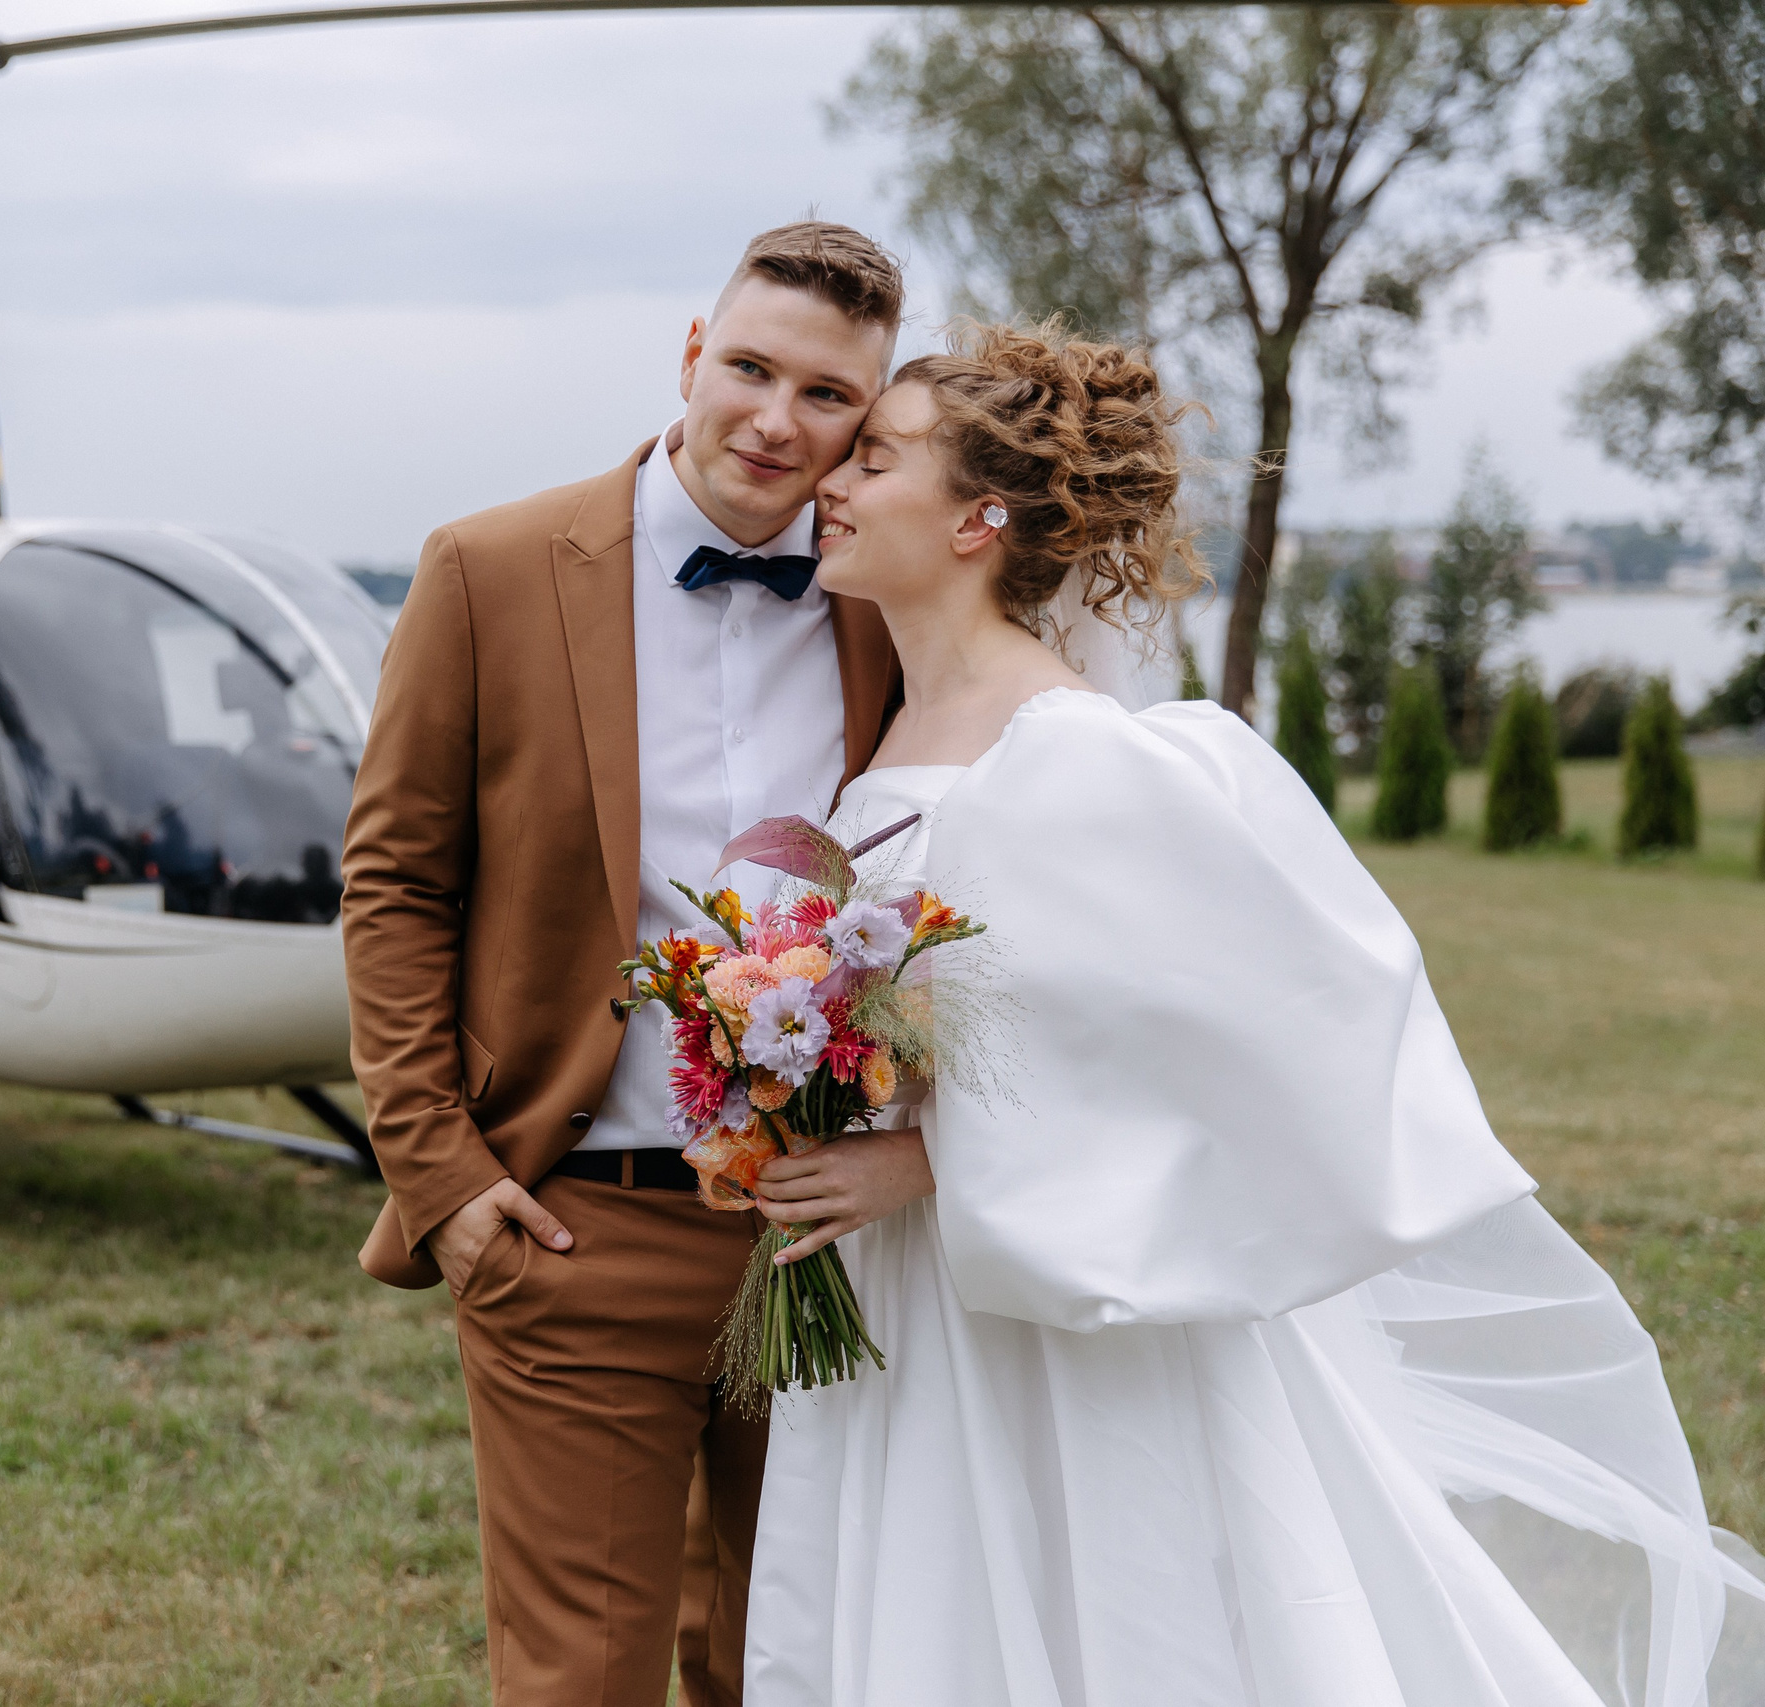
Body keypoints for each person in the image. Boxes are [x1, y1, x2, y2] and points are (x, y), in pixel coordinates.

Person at [740, 321, 1765, 1705]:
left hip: (1050, 1305)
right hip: (907, 1291)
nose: (834, 481)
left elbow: (1183, 1050)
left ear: (979, 518)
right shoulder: (895, 737)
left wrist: (920, 1162)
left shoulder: (1075, 751)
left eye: (876, 458)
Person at [340, 221, 908, 1705]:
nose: (776, 421)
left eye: (828, 396)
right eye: (752, 369)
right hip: (572, 1228)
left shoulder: (891, 601)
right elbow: (394, 885)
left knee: (793, 1671)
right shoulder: (488, 569)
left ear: (869, 419)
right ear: (692, 355)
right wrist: (444, 1182)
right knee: (579, 1682)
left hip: (832, 1245)